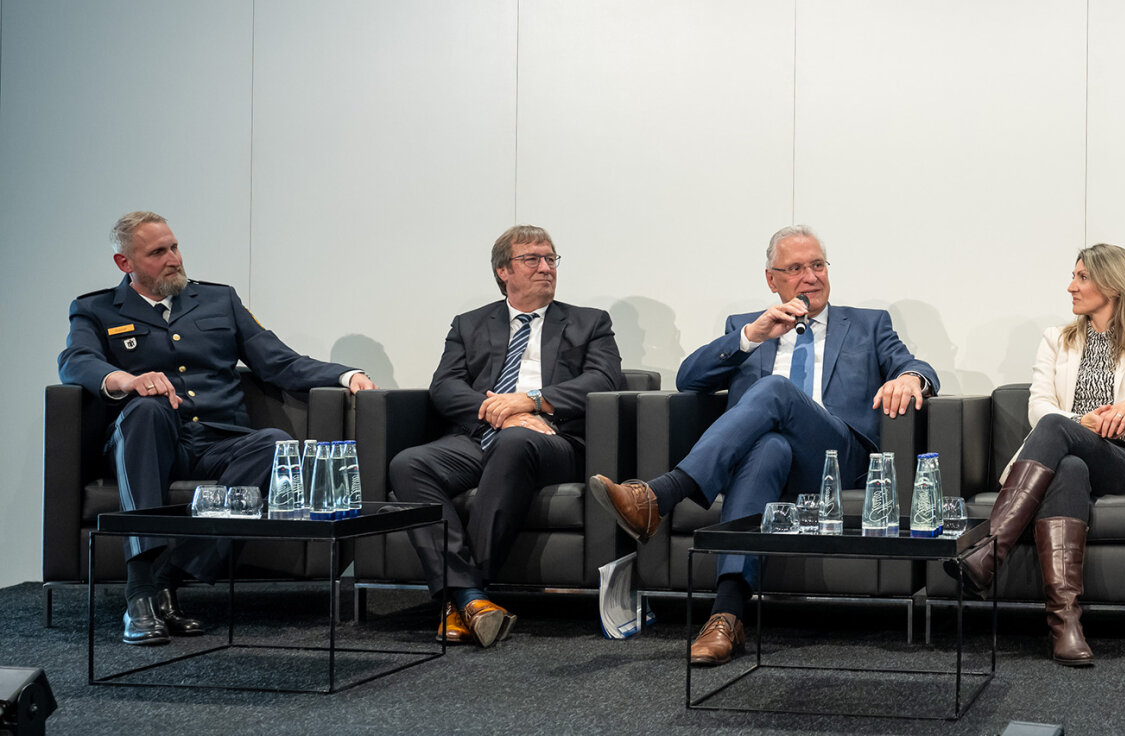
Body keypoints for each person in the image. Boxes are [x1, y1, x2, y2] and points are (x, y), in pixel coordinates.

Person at [589, 225, 938, 666]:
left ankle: (662, 494)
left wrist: (910, 377)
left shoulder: (869, 324)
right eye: (795, 268)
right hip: (772, 463)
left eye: (817, 265)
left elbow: (915, 364)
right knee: (769, 446)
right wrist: (751, 336)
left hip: (837, 457)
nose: (810, 277)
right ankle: (727, 616)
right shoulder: (748, 327)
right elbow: (687, 378)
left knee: (775, 390)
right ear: (772, 280)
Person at [58, 211, 376, 646]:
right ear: (124, 263)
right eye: (157, 252)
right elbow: (75, 361)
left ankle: (172, 577)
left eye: (174, 247)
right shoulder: (95, 308)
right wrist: (128, 381)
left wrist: (345, 375)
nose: (173, 259)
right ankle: (140, 592)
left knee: (275, 444)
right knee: (146, 410)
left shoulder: (217, 300)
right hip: (151, 443)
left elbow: (276, 359)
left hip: (220, 441)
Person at [951, 244, 1125, 666]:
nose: (1071, 286)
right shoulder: (1057, 339)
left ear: (1112, 284)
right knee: (1068, 464)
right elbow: (1039, 405)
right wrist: (1081, 424)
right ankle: (1065, 625)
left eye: (1082, 277)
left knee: (1058, 429)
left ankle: (989, 551)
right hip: (1073, 454)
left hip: (1124, 464)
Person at [386, 225, 623, 648]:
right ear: (503, 271)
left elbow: (604, 381)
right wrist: (496, 414)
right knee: (409, 463)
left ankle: (462, 594)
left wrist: (530, 402)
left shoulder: (590, 323)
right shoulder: (470, 324)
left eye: (551, 259)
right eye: (532, 259)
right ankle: (471, 598)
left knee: (518, 442)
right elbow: (445, 387)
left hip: (554, 439)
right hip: (482, 435)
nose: (546, 268)